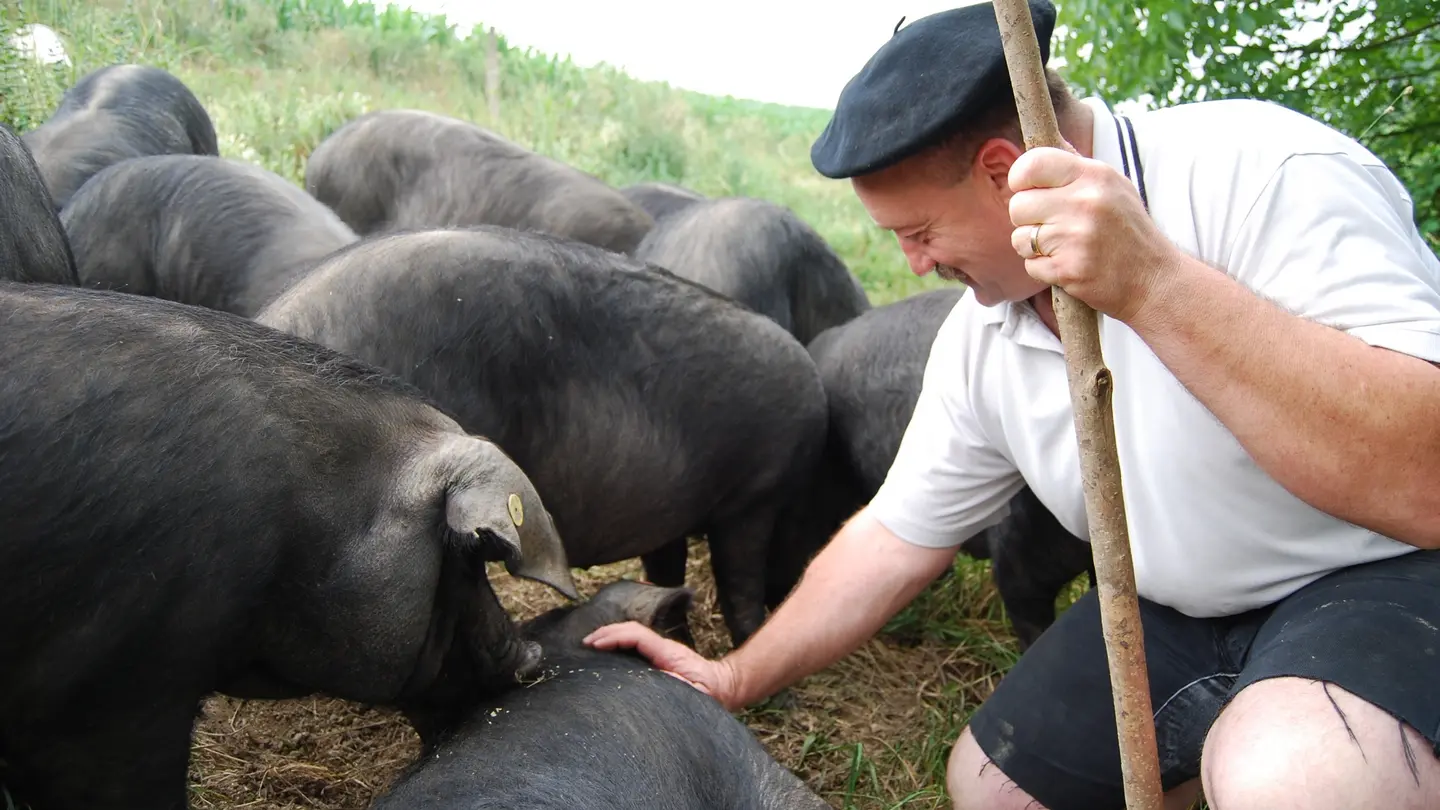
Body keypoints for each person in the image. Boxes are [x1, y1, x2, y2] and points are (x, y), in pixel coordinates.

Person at [585, 2, 1440, 808]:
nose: (915, 267)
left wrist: (1155, 286)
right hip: (1179, 612)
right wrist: (734, 676)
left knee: (1295, 773)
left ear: (1002, 174)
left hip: (1380, 575)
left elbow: (1426, 478)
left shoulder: (1262, 175)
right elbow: (894, 539)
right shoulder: (986, 334)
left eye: (920, 233)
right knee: (992, 787)